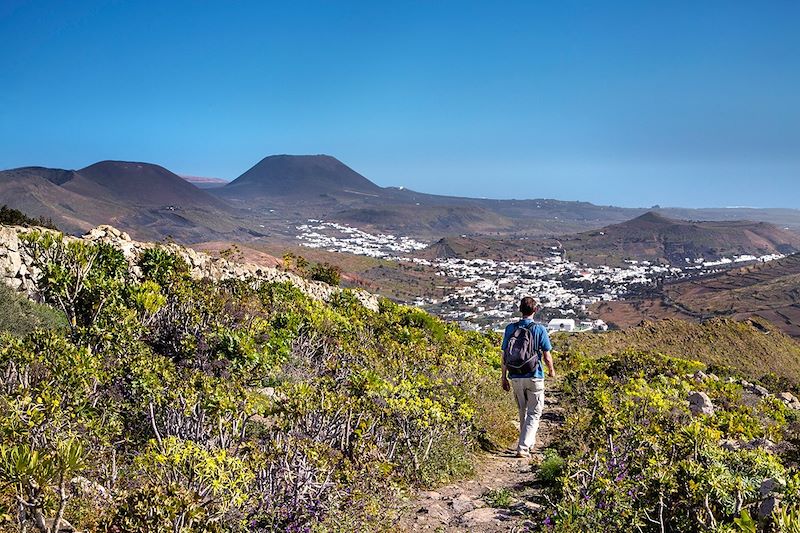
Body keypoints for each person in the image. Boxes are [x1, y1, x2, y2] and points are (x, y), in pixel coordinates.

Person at [501, 296, 556, 458]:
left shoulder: (510, 329)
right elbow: (546, 355)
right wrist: (551, 370)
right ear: (535, 310)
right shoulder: (539, 329)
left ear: (520, 309)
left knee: (523, 410)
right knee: (534, 412)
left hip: (515, 375)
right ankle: (523, 447)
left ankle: (528, 442)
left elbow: (504, 355)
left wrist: (503, 377)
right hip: (534, 375)